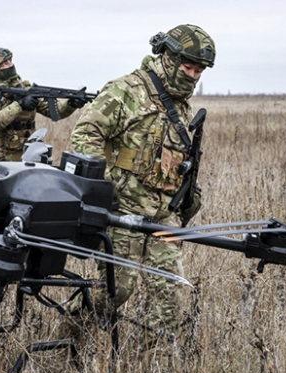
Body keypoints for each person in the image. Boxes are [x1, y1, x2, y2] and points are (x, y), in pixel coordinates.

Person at [69, 25, 215, 352]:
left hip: (164, 213)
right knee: (117, 289)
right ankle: (73, 334)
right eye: (187, 67)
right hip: (123, 211)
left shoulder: (181, 105)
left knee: (171, 295)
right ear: (167, 57)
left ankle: (148, 363)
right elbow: (84, 136)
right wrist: (107, 187)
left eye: (198, 70)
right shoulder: (126, 90)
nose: (192, 76)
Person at [0, 47, 87, 161]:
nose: (11, 65)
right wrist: (20, 105)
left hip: (27, 155)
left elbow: (53, 112)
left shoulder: (24, 88)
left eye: (10, 61)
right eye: (5, 63)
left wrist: (71, 104)